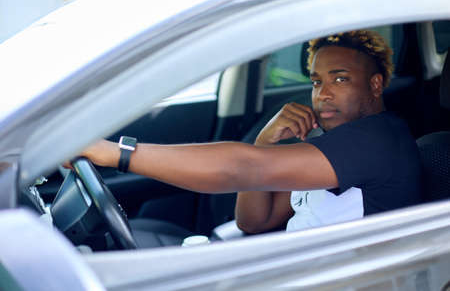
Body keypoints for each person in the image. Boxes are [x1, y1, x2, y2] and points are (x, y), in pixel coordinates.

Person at [75, 30, 423, 235]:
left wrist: (117, 154)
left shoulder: (378, 140)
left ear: (376, 85)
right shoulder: (328, 144)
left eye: (340, 78)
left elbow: (243, 168)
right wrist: (265, 142)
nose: (323, 93)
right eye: (317, 81)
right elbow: (255, 221)